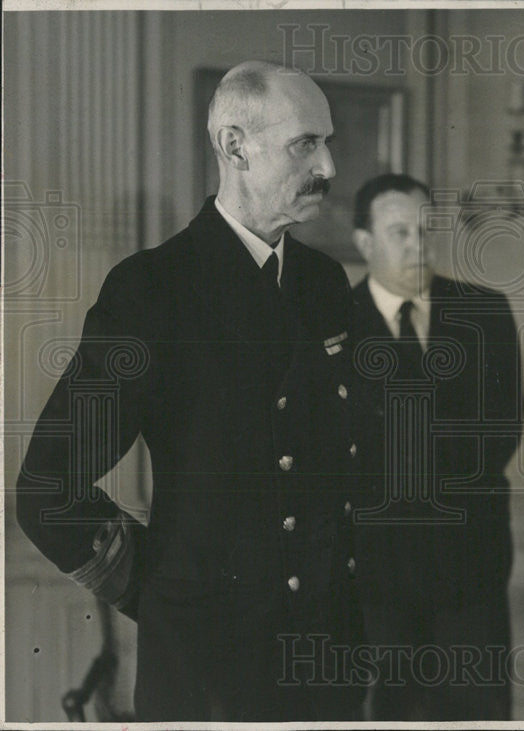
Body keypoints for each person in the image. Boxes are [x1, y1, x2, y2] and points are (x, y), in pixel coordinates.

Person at [16, 61, 368, 722]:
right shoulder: (152, 290)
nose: (327, 166)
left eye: (328, 143)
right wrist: (161, 585)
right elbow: (46, 487)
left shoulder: (322, 282)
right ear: (234, 146)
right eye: (305, 144)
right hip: (208, 665)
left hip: (327, 655)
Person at [349, 173, 522, 720]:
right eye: (399, 232)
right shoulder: (329, 324)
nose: (417, 245)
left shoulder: (485, 312)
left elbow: (498, 433)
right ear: (364, 243)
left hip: (470, 564)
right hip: (375, 572)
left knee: (480, 713)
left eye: (425, 230)